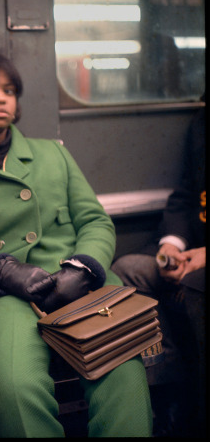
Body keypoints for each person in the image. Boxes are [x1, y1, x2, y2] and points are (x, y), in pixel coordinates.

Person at [0, 40, 153, 437]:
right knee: (16, 388)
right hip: (7, 297)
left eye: (9, 90)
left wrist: (83, 267)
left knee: (123, 375)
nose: (1, 98)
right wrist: (2, 272)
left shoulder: (53, 155)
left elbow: (95, 221)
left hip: (83, 286)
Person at [111, 106, 206, 437]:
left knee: (195, 285)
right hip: (192, 250)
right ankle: (168, 393)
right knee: (129, 271)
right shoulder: (201, 124)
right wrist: (172, 245)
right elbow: (186, 195)